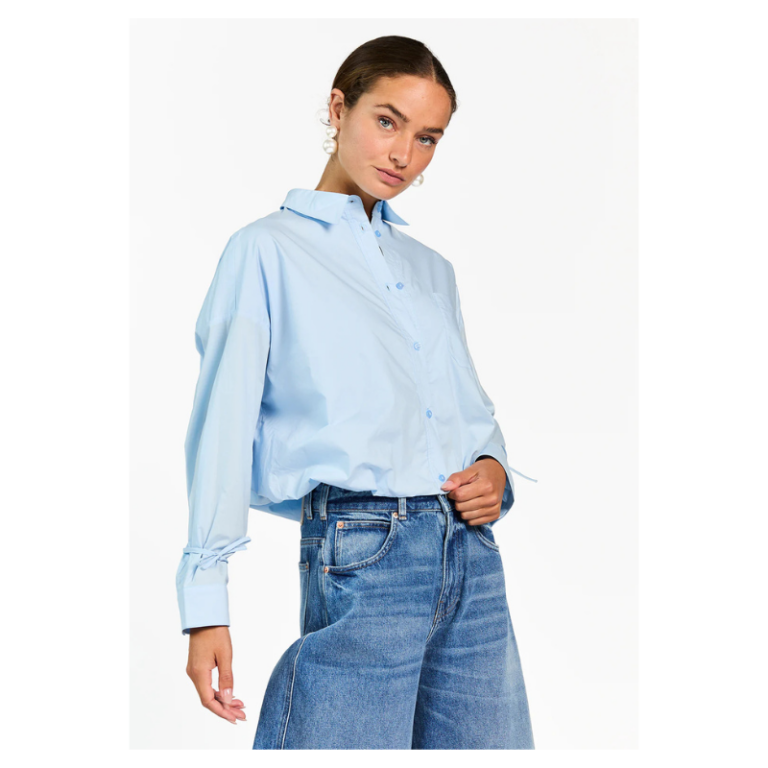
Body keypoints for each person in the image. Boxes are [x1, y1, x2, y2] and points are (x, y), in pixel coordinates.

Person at [176, 35, 537, 750]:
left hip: (472, 557)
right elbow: (223, 423)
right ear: (338, 109)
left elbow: (466, 413)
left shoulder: (431, 270)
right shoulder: (266, 250)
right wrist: (205, 602)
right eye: (387, 121)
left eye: (427, 137)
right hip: (365, 547)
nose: (404, 154)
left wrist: (493, 469)